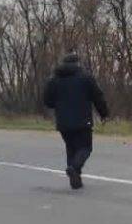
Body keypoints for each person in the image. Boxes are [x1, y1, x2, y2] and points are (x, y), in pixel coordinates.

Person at [41, 51, 109, 190]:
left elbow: (47, 101)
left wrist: (58, 105)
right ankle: (74, 168)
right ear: (78, 63)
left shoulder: (54, 79)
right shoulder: (85, 78)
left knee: (71, 148)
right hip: (82, 120)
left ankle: (75, 179)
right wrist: (104, 113)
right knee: (85, 147)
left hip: (63, 122)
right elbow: (98, 97)